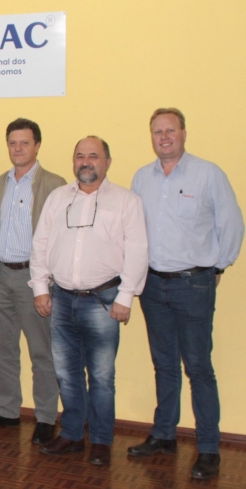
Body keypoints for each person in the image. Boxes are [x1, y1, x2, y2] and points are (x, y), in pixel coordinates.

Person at [129, 108, 244, 480]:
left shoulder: (208, 174)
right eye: (157, 131)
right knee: (164, 364)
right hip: (152, 285)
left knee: (198, 368)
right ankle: (164, 434)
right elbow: (133, 231)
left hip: (193, 285)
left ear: (183, 133)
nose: (164, 137)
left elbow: (232, 224)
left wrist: (218, 267)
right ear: (151, 136)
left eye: (170, 130)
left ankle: (208, 448)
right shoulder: (141, 178)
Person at [29, 136, 148, 466]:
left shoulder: (126, 201)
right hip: (61, 299)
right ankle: (71, 435)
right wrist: (40, 288)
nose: (86, 161)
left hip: (104, 300)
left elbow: (138, 251)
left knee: (101, 377)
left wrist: (126, 296)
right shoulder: (58, 198)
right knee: (66, 374)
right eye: (80, 155)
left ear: (107, 162)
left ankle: (100, 440)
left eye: (93, 156)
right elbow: (40, 245)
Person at [0, 118, 64, 442]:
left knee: (42, 352)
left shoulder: (53, 184)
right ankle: (7, 410)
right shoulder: (1, 182)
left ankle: (45, 417)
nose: (18, 148)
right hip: (2, 276)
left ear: (37, 145)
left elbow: (60, 236)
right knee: (3, 350)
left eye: (24, 142)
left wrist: (46, 282)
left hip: (34, 280)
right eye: (13, 142)